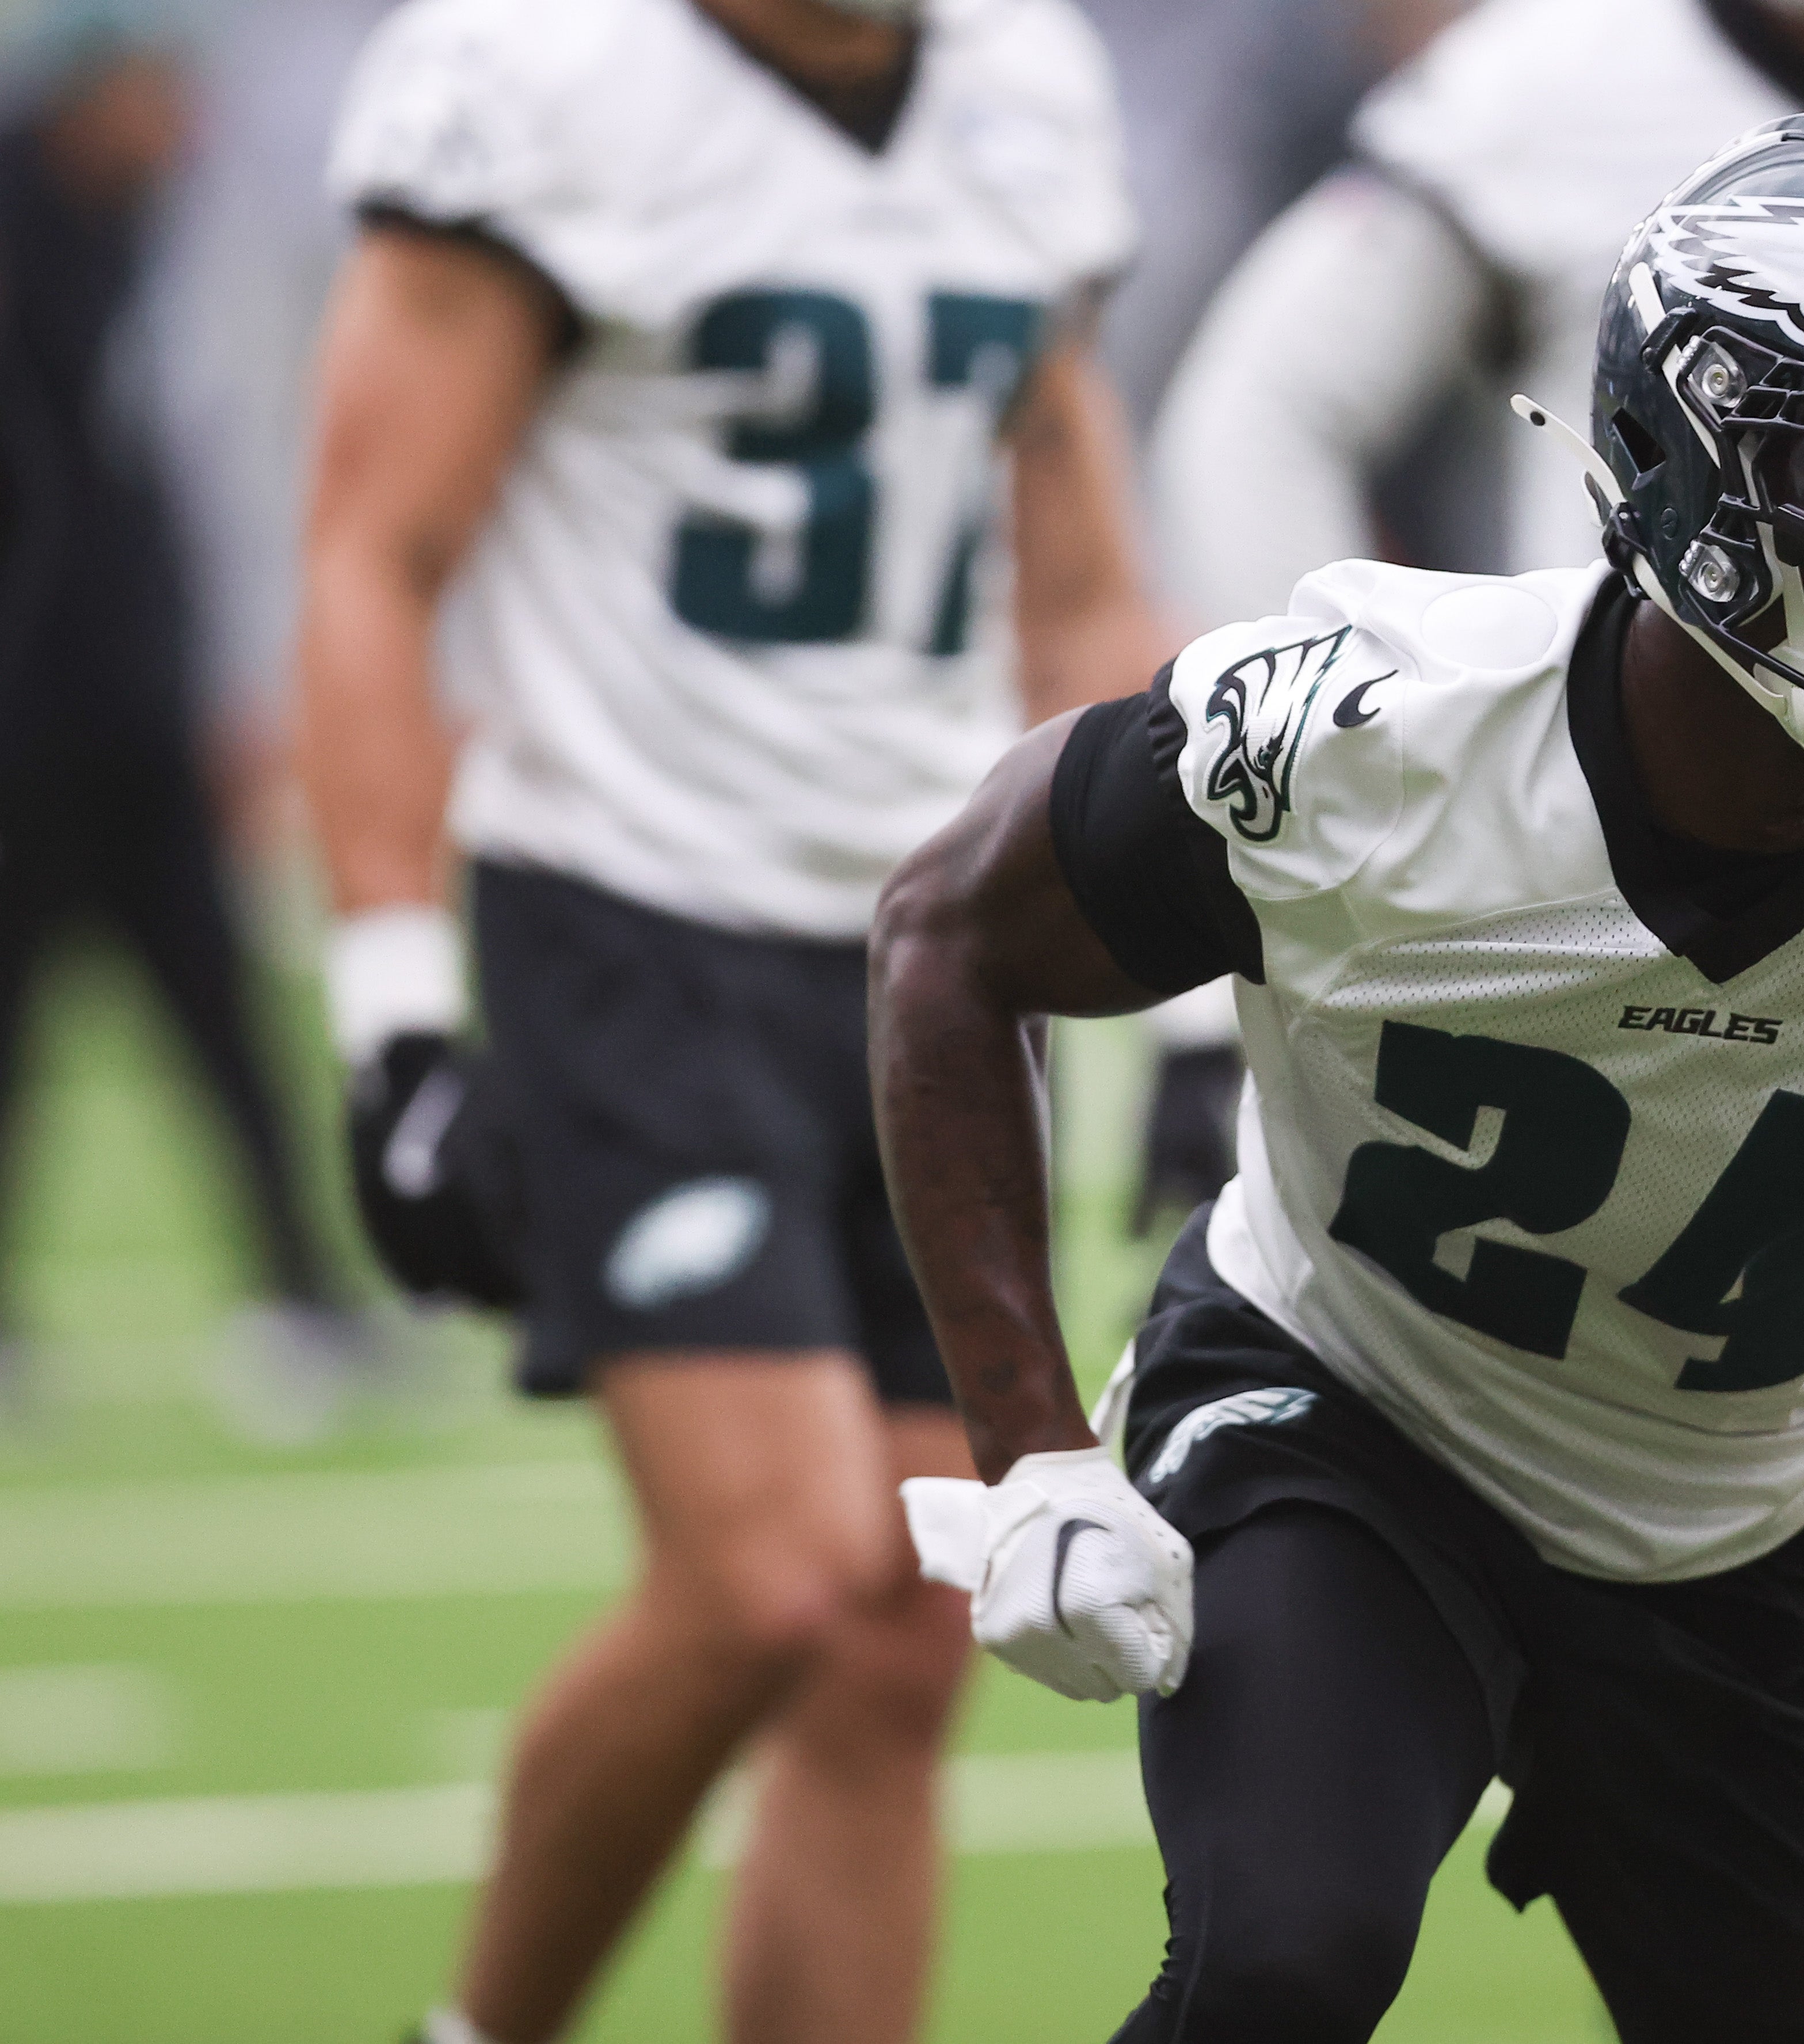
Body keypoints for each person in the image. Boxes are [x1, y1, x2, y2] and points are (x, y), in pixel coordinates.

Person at [884, 111, 1804, 2043]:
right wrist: (1028, 1454)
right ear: (1699, 455)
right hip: (1352, 1413)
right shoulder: (1379, 732)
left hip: (1745, 1526)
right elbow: (948, 937)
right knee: (1284, 1953)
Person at [292, 0, 1160, 2035]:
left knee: (903, 1637)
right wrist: (394, 1007)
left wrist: (1197, 999)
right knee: (769, 1577)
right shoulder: (540, 76)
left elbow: (1075, 580)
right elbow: (373, 549)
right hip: (635, 910)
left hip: (942, 944)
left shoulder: (1025, 80)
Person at [0, 28, 372, 1434]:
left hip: (133, 724)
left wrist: (213, 690)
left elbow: (170, 491)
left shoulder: (149, 235)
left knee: (223, 1024)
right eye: (159, 95)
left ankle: (304, 1299)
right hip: (28, 735)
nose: (183, 126)